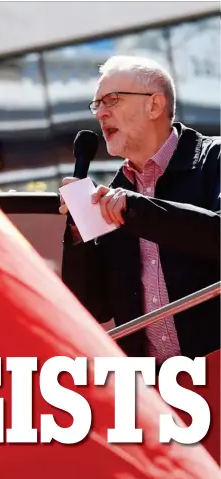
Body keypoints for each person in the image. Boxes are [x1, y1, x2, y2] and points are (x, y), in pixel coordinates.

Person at [59, 55, 220, 367]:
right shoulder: (111, 196)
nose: (101, 113)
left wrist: (136, 210)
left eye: (112, 100)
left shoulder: (214, 160)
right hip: (152, 393)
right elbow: (92, 307)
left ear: (154, 106)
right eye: (97, 105)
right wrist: (78, 233)